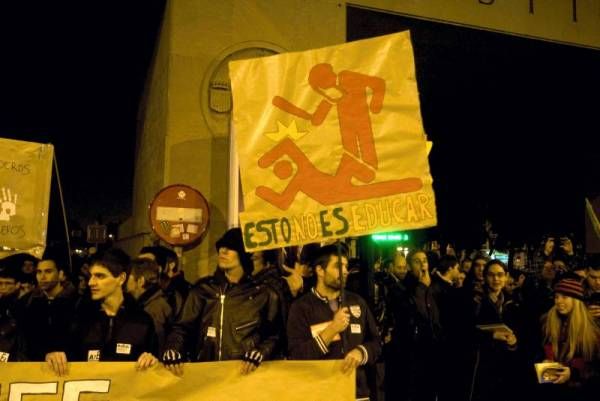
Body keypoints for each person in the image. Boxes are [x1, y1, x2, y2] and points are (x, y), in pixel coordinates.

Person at [162, 228, 282, 375]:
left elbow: (275, 336)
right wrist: (173, 348)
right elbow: (181, 329)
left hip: (245, 379)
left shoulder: (263, 294)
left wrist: (261, 352)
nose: (223, 251)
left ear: (244, 254)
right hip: (206, 378)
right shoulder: (202, 290)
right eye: (221, 247)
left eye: (231, 247)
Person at [287, 244, 381, 401]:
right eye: (338, 266)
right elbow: (297, 356)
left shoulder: (357, 302)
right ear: (320, 271)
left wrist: (361, 352)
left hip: (357, 393)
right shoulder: (300, 307)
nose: (345, 271)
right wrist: (332, 329)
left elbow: (376, 343)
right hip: (320, 394)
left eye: (346, 266)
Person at [45, 248, 158, 376]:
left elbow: (153, 365)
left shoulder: (142, 321)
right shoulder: (77, 317)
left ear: (121, 278)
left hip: (124, 394)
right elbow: (62, 354)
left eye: (100, 276)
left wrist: (151, 360)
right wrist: (53, 356)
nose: (91, 282)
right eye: (91, 276)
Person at [538, 277, 600, 400]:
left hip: (581, 392)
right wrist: (544, 362)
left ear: (576, 300)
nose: (558, 301)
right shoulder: (547, 322)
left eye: (564, 297)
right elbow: (538, 350)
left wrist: (573, 374)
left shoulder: (592, 329)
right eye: (556, 297)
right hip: (552, 390)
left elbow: (595, 367)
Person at [19, 248, 79, 361]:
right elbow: (26, 340)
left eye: (48, 271)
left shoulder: (76, 302)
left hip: (69, 366)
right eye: (39, 272)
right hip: (36, 366)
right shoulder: (28, 302)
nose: (42, 277)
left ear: (61, 274)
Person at [126, 257, 174, 353]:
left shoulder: (153, 309)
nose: (124, 281)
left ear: (140, 281)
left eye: (128, 277)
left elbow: (158, 346)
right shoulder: (150, 303)